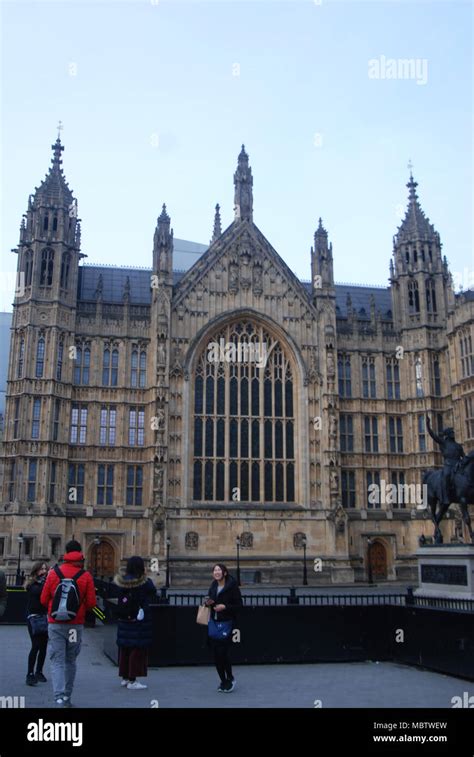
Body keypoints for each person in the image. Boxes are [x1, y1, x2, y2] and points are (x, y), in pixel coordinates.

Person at [41, 540, 96, 708]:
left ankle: (58, 697)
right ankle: (66, 697)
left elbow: (43, 599)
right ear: (80, 554)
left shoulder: (53, 573)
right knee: (70, 660)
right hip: (74, 626)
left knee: (57, 660)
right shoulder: (85, 576)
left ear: (65, 553)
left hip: (56, 624)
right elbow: (92, 603)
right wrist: (78, 609)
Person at [114, 556, 157, 690]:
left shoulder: (122, 582)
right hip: (138, 620)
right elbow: (153, 590)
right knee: (136, 649)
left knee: (125, 648)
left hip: (124, 620)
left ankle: (125, 677)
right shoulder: (143, 582)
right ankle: (133, 680)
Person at [204, 563, 242, 693]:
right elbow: (211, 600)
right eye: (215, 570)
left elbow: (239, 605)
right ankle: (223, 680)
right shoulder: (213, 586)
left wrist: (225, 607)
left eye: (219, 570)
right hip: (214, 623)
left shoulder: (232, 586)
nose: (216, 572)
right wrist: (208, 602)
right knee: (216, 654)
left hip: (227, 623)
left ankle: (230, 677)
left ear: (225, 573)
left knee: (223, 653)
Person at [426, 415, 465, 506]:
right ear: (448, 435)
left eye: (453, 433)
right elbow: (433, 435)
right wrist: (428, 424)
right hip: (448, 466)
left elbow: (464, 457)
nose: (453, 434)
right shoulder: (444, 443)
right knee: (446, 476)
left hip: (457, 466)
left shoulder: (458, 446)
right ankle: (446, 496)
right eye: (451, 433)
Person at [25, 562, 49, 686]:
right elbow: (37, 593)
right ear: (36, 570)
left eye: (45, 569)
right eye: (41, 569)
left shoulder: (46, 583)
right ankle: (29, 673)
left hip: (45, 617)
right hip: (33, 618)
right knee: (36, 645)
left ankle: (39, 671)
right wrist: (47, 582)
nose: (44, 571)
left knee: (44, 646)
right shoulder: (31, 584)